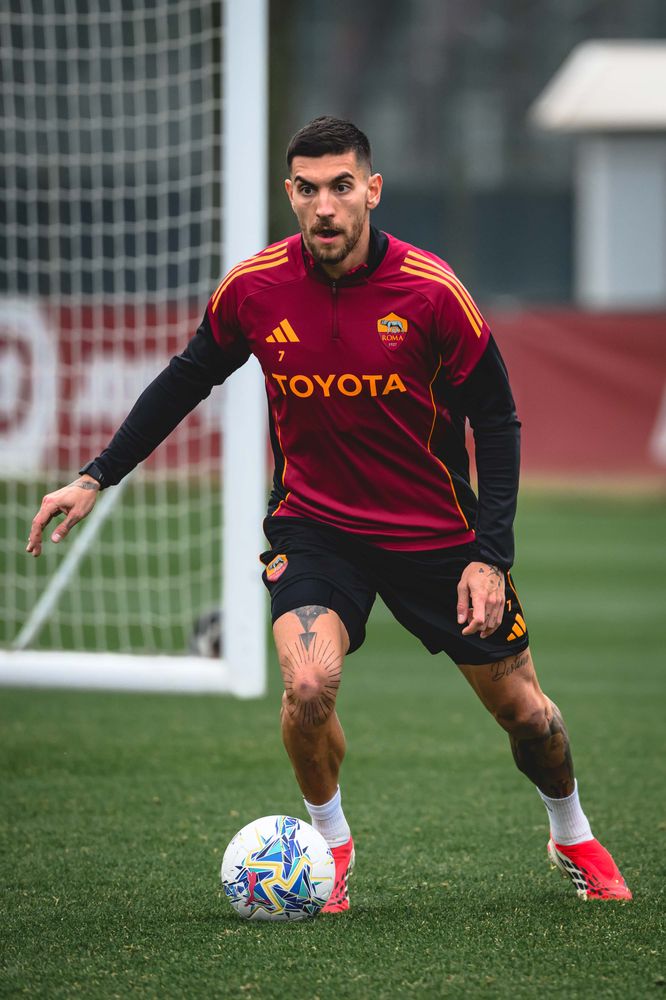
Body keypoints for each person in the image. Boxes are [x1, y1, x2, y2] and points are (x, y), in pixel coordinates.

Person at [27, 116, 631, 910]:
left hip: (437, 535)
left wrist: (491, 554)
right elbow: (185, 379)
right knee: (308, 684)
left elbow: (499, 417)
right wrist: (95, 475)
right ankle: (330, 846)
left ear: (371, 190)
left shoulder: (431, 291)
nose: (325, 209)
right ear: (291, 195)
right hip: (317, 528)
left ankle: (570, 830)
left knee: (528, 715)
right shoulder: (254, 288)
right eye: (308, 190)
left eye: (342, 187)